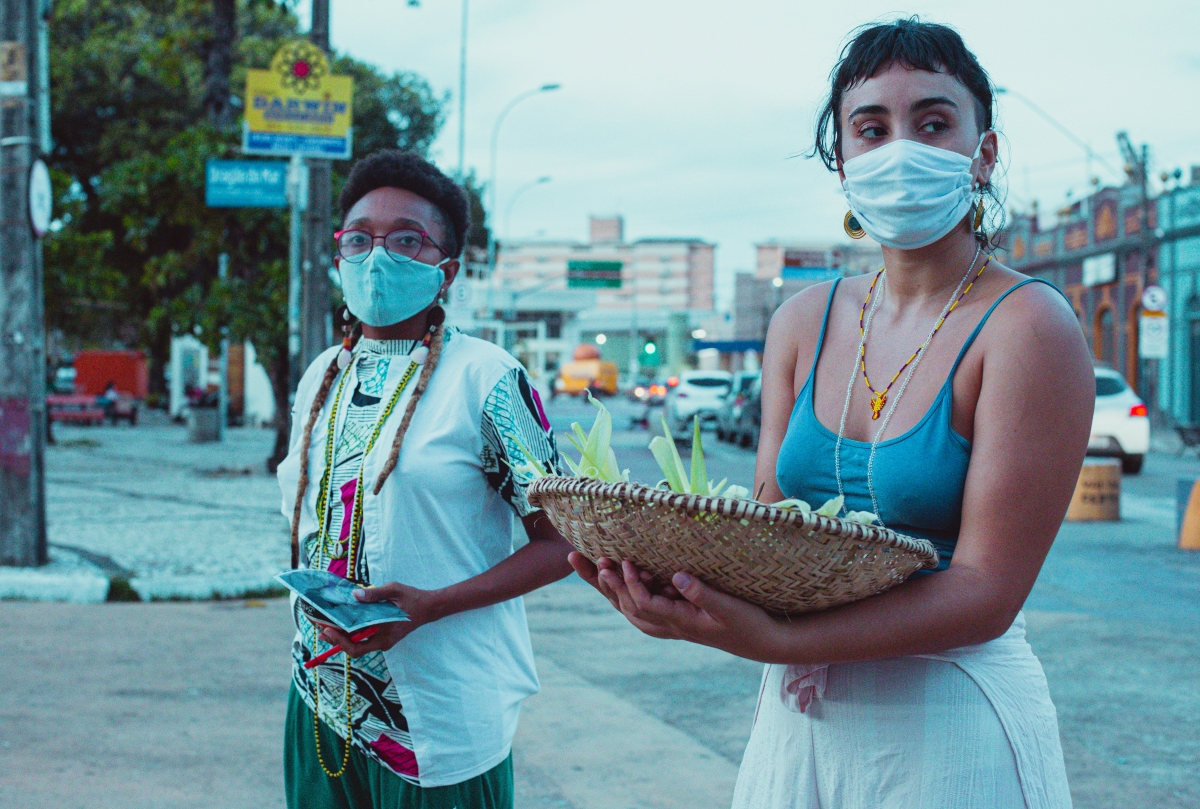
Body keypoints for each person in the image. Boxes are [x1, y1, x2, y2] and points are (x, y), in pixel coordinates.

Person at [570, 18, 1093, 809]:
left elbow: (988, 590)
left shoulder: (1029, 326)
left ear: (983, 153)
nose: (900, 149)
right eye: (871, 128)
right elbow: (770, 537)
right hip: (800, 721)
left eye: (933, 122)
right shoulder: (802, 321)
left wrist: (781, 639)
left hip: (951, 723)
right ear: (842, 161)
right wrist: (675, 588)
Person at [277, 150, 574, 809]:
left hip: (439, 719)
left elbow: (564, 544)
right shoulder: (322, 374)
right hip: (320, 699)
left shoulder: (491, 380)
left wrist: (431, 605)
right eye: (359, 237)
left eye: (406, 238)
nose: (377, 255)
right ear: (339, 255)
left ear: (447, 269)